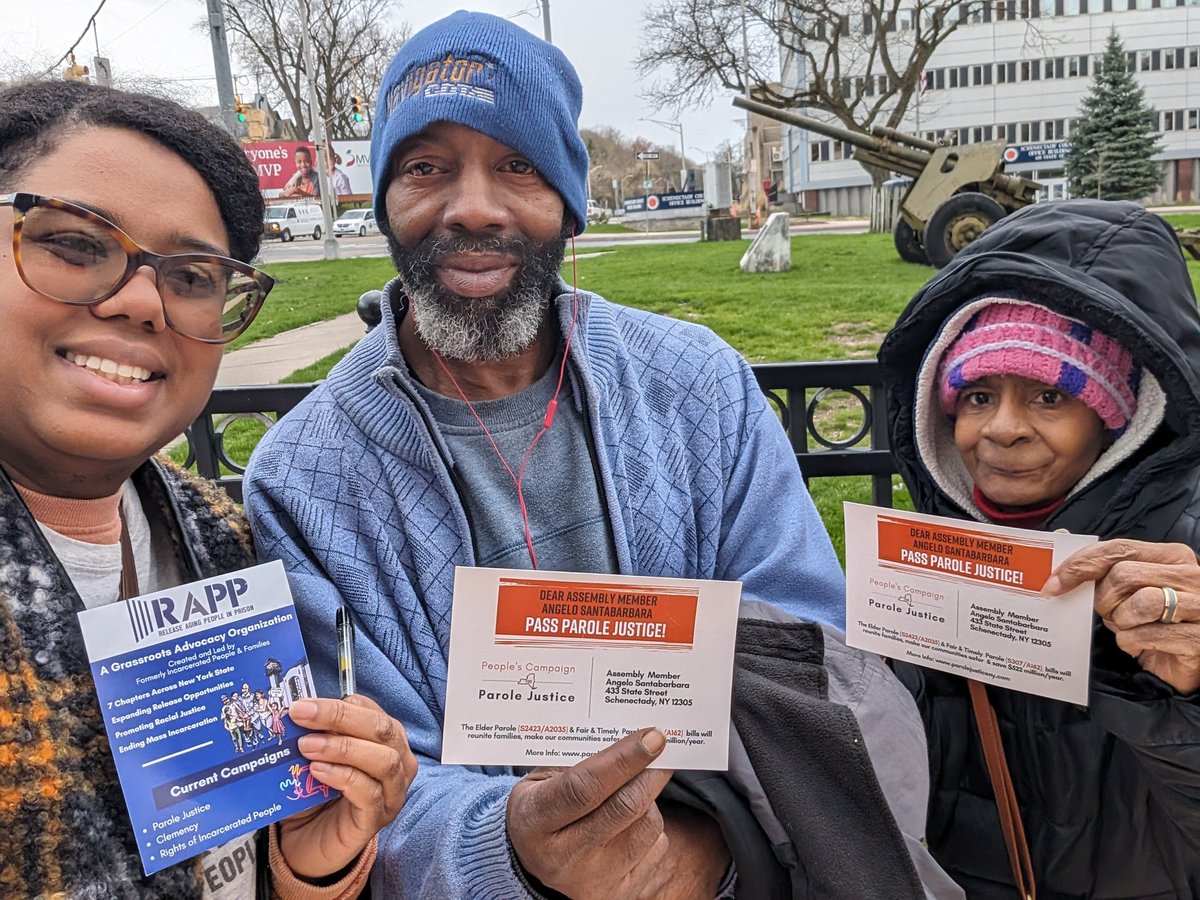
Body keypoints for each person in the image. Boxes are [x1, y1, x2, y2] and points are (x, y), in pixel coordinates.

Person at [245, 12, 954, 899]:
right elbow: (355, 777)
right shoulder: (301, 477)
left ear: (570, 204)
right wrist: (513, 851)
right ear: (384, 202)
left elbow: (817, 662)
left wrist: (697, 850)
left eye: (518, 165)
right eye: (425, 167)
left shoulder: (701, 387)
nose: (471, 205)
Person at [0, 79, 417, 898]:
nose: (140, 302)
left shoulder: (226, 539)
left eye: (191, 275)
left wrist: (310, 860)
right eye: (76, 244)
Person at [878, 199, 1200, 897]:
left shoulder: (1184, 558)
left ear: (1118, 418)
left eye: (1051, 397)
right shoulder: (920, 551)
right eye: (977, 395)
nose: (1003, 430)